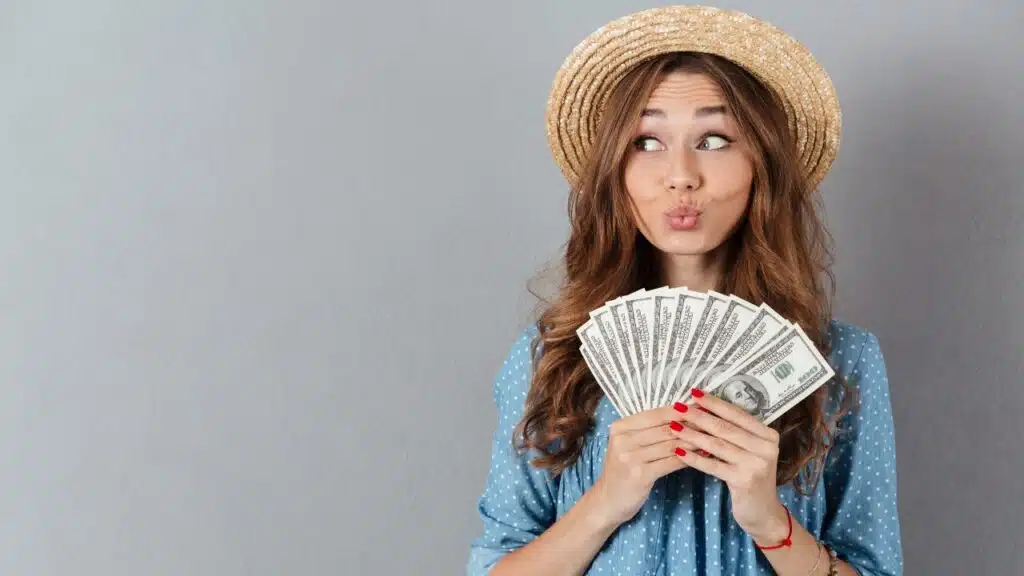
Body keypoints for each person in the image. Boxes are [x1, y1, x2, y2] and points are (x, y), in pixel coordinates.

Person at [467, 6, 902, 575]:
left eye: (715, 139)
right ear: (616, 173)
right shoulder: (547, 362)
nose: (680, 175)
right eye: (647, 142)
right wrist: (605, 502)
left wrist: (769, 522)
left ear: (760, 167)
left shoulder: (841, 363)